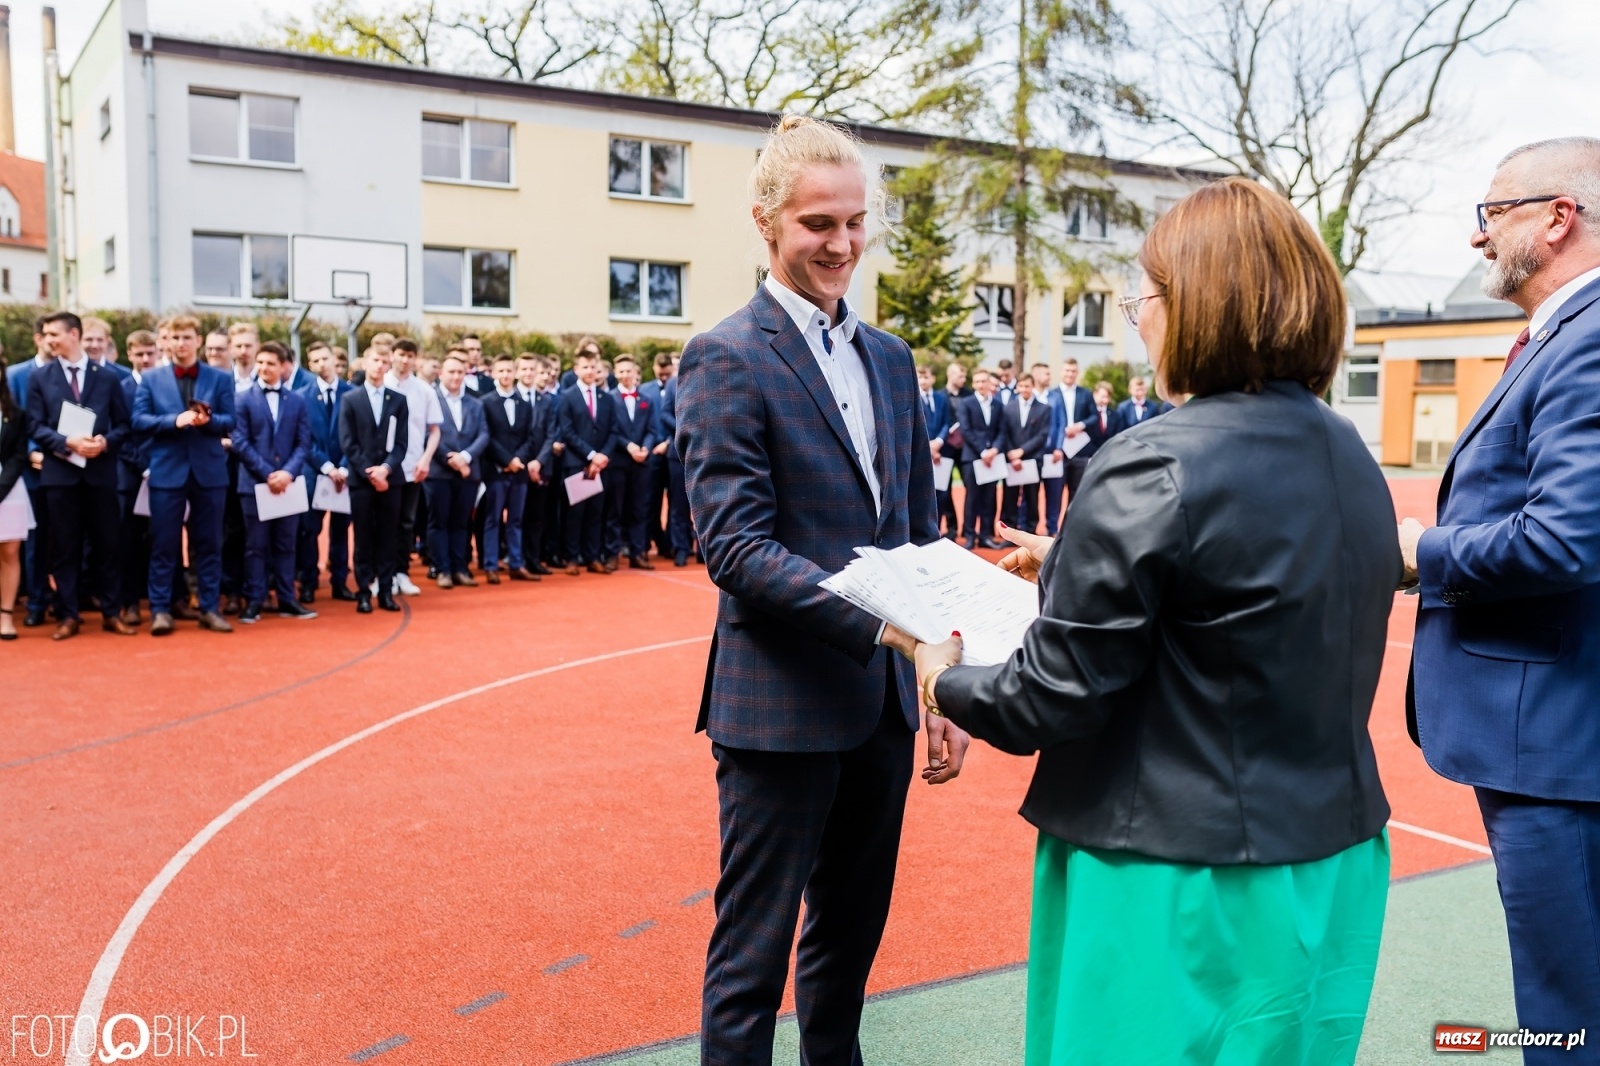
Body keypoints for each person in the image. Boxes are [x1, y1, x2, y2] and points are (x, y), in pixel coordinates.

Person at [917, 176, 1396, 1066]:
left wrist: (939, 673)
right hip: (1331, 856)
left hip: (1176, 873)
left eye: (1144, 294)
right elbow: (1242, 585)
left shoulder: (1151, 461)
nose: (1139, 317)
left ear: (1200, 304)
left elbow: (1052, 697)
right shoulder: (1345, 447)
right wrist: (1071, 558)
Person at [676, 114, 954, 1066]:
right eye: (816, 225)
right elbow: (738, 551)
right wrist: (894, 635)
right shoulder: (725, 356)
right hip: (779, 706)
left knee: (847, 944)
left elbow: (914, 534)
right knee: (752, 956)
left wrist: (938, 677)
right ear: (766, 223)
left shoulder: (892, 358)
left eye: (854, 222)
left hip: (883, 707)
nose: (841, 244)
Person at [1400, 137, 1600, 1059]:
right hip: (1551, 735)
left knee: (1567, 1006)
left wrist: (1418, 553)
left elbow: (1567, 538)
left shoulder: (1588, 339)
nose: (1479, 239)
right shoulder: (1562, 335)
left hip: (1556, 747)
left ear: (1557, 218)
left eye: (1493, 213)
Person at [27, 311, 136, 639]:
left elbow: (123, 426)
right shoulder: (40, 377)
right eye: (45, 335)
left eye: (53, 334)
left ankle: (111, 613)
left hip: (100, 474)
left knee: (108, 545)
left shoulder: (107, 378)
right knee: (63, 548)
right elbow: (34, 425)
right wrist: (66, 442)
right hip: (60, 476)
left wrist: (104, 443)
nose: (48, 340)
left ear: (74, 334)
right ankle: (68, 615)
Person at [134, 314, 237, 636]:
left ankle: (209, 608)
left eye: (187, 337)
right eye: (175, 338)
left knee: (209, 545)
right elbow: (138, 421)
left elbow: (231, 420)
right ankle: (161, 610)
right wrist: (172, 421)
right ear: (167, 341)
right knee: (163, 545)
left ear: (198, 340)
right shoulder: (151, 379)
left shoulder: (220, 378)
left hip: (209, 472)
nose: (181, 344)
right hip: (167, 472)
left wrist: (209, 421)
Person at [232, 342, 315, 623]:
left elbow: (304, 443)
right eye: (261, 362)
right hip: (255, 485)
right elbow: (240, 442)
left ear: (284, 367)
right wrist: (269, 474)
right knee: (255, 546)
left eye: (270, 363)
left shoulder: (297, 401)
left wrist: (288, 473)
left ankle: (286, 599)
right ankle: (254, 600)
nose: (264, 368)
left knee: (286, 544)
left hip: (289, 484)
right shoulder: (241, 399)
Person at [338, 347, 408, 614]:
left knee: (388, 537)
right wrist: (371, 471)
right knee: (363, 537)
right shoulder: (351, 399)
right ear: (365, 363)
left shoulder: (398, 400)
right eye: (375, 361)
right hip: (361, 479)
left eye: (384, 362)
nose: (380, 366)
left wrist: (386, 470)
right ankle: (364, 591)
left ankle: (387, 591)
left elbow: (402, 443)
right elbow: (348, 443)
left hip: (391, 480)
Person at [296, 343, 355, 603]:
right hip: (314, 473)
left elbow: (357, 435)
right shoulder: (301, 396)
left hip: (345, 473)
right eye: (315, 360)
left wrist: (343, 466)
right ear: (310, 365)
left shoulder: (352, 394)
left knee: (341, 531)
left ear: (335, 359)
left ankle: (340, 581)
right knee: (309, 531)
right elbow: (303, 439)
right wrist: (327, 467)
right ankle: (308, 582)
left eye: (325, 358)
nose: (321, 364)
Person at [384, 338, 441, 596]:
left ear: (415, 359)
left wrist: (425, 460)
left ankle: (401, 572)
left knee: (406, 523)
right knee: (383, 523)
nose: (405, 360)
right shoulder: (379, 384)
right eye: (400, 355)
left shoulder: (424, 391)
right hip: (383, 468)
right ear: (392, 356)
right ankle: (380, 574)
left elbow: (434, 430)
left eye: (410, 355)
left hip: (412, 467)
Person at [480, 354, 543, 583]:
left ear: (514, 373)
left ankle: (516, 564)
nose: (506, 375)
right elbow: (487, 436)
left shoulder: (525, 404)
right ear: (494, 373)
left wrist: (518, 460)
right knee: (493, 519)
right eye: (501, 371)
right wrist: (506, 460)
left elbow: (530, 437)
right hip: (496, 471)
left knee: (516, 520)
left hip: (519, 472)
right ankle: (490, 565)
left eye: (509, 371)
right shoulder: (485, 402)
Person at [426, 354, 487, 588]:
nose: (455, 376)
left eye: (460, 372)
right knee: (439, 522)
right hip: (438, 472)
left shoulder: (476, 402)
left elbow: (484, 434)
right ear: (441, 373)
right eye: (451, 372)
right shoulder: (431, 399)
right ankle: (442, 569)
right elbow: (426, 432)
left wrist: (466, 457)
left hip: (468, 473)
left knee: (461, 523)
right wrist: (449, 458)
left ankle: (460, 568)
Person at [9, 323, 55, 627]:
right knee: (35, 541)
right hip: (29, 470)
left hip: (68, 464)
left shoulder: (72, 372)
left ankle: (69, 599)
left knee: (68, 537)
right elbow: (11, 424)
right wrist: (30, 454)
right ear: (37, 338)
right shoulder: (15, 375)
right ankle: (37, 602)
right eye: (48, 335)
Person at [554, 350, 617, 575]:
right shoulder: (567, 396)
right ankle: (571, 557)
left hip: (601, 466)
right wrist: (591, 455)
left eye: (593, 367)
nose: (590, 371)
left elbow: (613, 431)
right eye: (585, 367)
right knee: (575, 514)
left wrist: (601, 457)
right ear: (576, 369)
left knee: (596, 513)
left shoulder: (607, 398)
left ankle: (592, 556)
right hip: (577, 463)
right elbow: (567, 431)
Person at [115, 330, 160, 626]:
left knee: (165, 541)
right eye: (139, 354)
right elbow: (120, 434)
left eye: (149, 353)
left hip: (167, 474)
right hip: (130, 478)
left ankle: (169, 601)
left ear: (157, 353)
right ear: (129, 355)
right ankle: (130, 603)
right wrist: (143, 468)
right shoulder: (119, 388)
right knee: (128, 542)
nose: (145, 359)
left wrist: (160, 468)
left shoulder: (168, 386)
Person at [604, 354, 658, 569]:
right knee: (614, 509)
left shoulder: (646, 399)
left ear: (636, 373)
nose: (626, 375)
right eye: (622, 371)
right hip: (618, 460)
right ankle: (611, 554)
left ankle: (637, 553)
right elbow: (610, 430)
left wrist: (645, 447)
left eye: (629, 371)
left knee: (638, 509)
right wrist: (628, 446)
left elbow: (652, 430)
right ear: (616, 374)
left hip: (641, 463)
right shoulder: (608, 398)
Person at [1043, 357, 1093, 532]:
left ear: (1077, 373)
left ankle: (1070, 529)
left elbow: (1094, 416)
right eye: (1067, 371)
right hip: (1057, 451)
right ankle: (1052, 528)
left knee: (1076, 492)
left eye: (1073, 371)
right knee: (1054, 493)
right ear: (1061, 372)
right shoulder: (1051, 394)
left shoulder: (1086, 394)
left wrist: (1080, 425)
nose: (1070, 374)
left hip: (1079, 451)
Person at [957, 368, 1004, 550]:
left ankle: (985, 536)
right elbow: (966, 430)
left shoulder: (998, 405)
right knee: (972, 499)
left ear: (989, 383)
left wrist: (995, 449)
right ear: (973, 384)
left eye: (983, 381)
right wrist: (983, 452)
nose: (980, 385)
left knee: (988, 499)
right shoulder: (966, 403)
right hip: (973, 458)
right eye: (977, 382)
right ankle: (970, 536)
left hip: (993, 459)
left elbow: (1001, 430)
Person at [0, 369, 31, 641]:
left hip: (8, 488)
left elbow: (19, 454)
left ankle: (6, 616)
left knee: (9, 552)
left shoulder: (15, 412)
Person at [999, 371, 1050, 533]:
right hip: (1012, 460)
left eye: (1027, 386)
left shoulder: (1044, 409)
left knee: (1032, 497)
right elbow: (1003, 433)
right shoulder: (1008, 408)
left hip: (1032, 459)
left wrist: (1022, 451)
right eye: (1021, 386)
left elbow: (1043, 435)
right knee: (1010, 497)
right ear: (1017, 387)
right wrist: (1012, 454)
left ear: (1033, 386)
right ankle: (1011, 532)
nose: (1024, 389)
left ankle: (1030, 530)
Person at [657, 367, 696, 567]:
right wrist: (685, 428)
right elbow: (664, 414)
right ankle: (681, 548)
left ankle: (703, 551)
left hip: (705, 451)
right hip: (678, 454)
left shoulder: (708, 375)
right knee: (678, 505)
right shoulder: (672, 383)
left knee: (706, 504)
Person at [641, 350, 676, 558]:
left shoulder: (678, 385)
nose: (664, 377)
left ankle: (669, 544)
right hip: (652, 452)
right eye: (660, 373)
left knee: (675, 502)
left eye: (667, 373)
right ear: (654, 368)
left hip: (672, 450)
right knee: (651, 500)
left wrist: (669, 441)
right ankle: (646, 541)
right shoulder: (645, 390)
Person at [916, 364, 956, 541]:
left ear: (933, 378)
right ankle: (923, 533)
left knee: (942, 494)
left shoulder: (941, 398)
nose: (923, 380)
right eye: (920, 377)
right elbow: (914, 424)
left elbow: (947, 423)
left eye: (927, 377)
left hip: (942, 452)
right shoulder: (912, 396)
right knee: (922, 493)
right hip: (921, 452)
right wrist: (928, 447)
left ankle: (937, 531)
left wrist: (938, 442)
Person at [1080, 380, 1123, 457]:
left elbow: (1117, 435)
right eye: (1103, 396)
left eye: (1108, 397)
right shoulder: (1086, 414)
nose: (1105, 400)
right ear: (1094, 394)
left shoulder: (1115, 415)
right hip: (1089, 456)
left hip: (1108, 455)